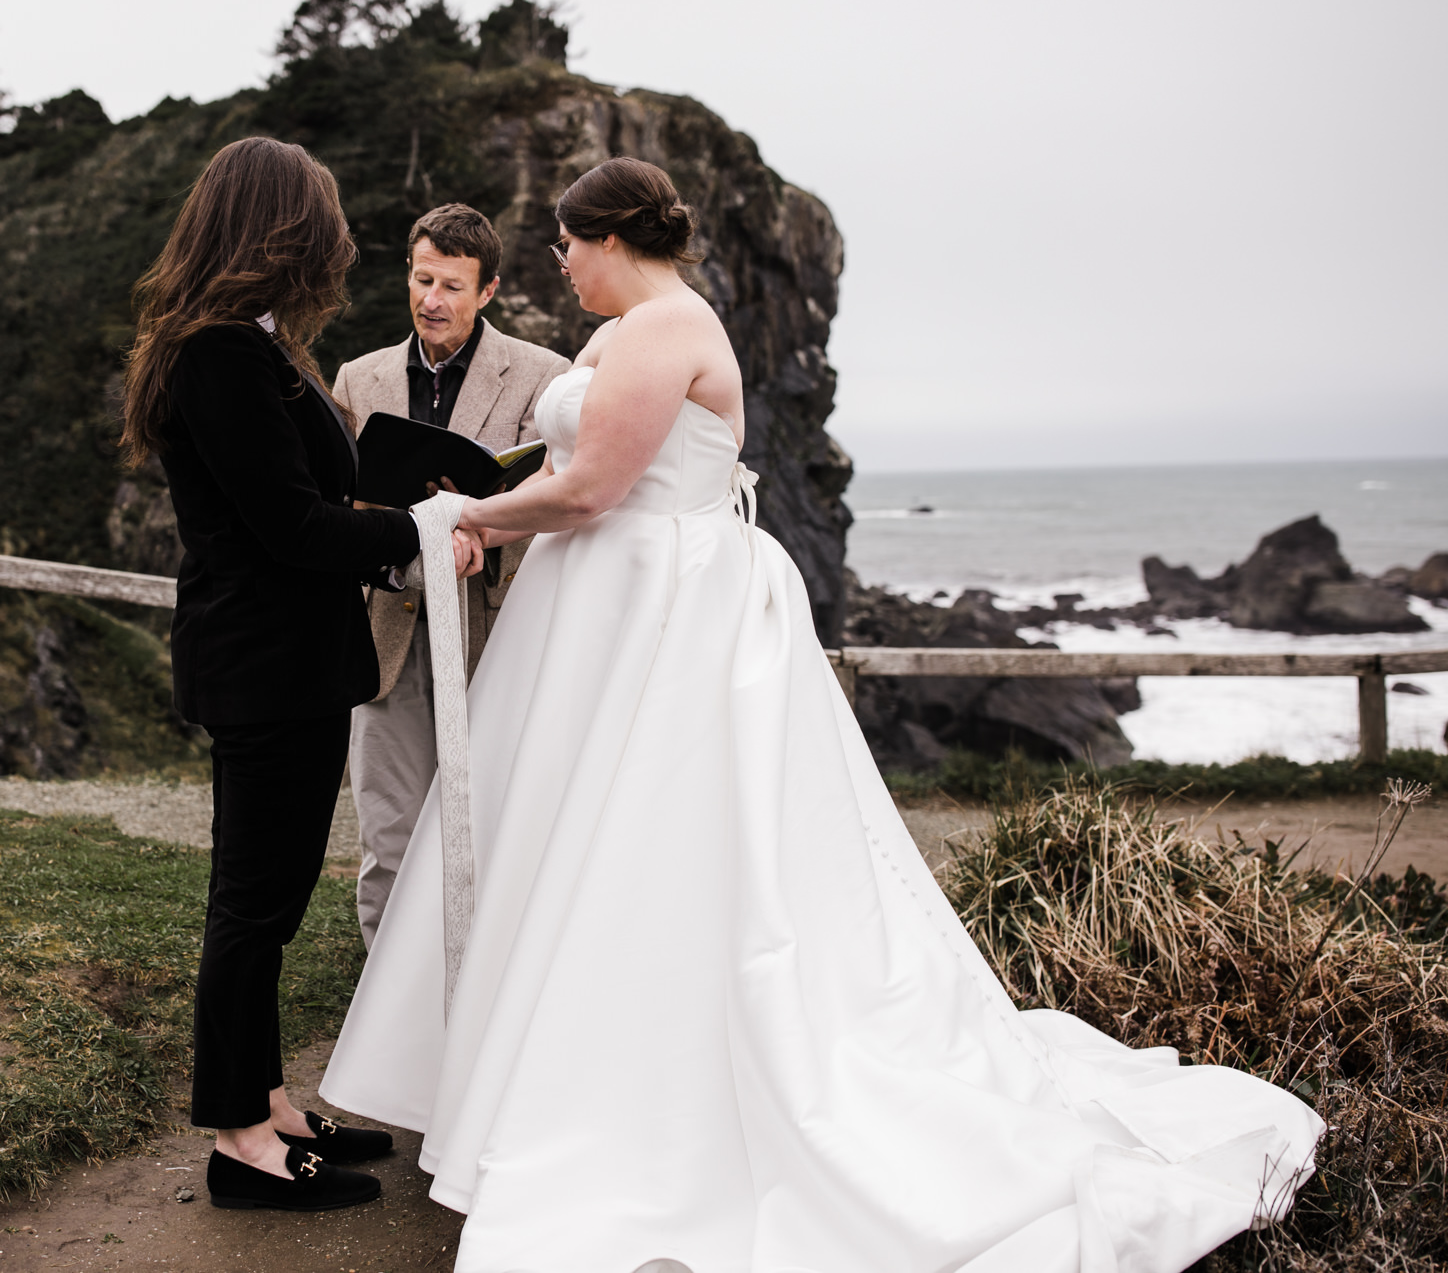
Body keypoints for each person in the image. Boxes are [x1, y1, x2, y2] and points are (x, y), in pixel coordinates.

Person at [320, 157, 1323, 1270]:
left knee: (657, 841)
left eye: (564, 244)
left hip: (656, 608)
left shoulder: (662, 330)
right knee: (563, 835)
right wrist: (489, 512)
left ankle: (631, 1095)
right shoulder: (619, 334)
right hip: (596, 608)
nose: (558, 264)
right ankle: (520, 1078)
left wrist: (470, 512)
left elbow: (594, 489)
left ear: (605, 238)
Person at [122, 136, 481, 1213]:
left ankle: (269, 1101)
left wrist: (395, 519)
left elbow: (301, 502)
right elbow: (284, 525)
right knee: (251, 902)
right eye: (321, 216)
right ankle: (239, 1143)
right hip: (263, 663)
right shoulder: (219, 355)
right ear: (273, 225)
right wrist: (418, 531)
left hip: (293, 662)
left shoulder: (252, 345)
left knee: (271, 901)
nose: (340, 238)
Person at [331, 203, 570, 947]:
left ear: (488, 290)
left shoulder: (545, 377)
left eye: (453, 286)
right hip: (386, 635)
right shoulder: (358, 378)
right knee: (390, 836)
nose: (432, 299)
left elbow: (548, 505)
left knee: (492, 829)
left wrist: (474, 525)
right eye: (422, 278)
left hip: (493, 634)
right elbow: (339, 502)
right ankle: (383, 1013)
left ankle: (480, 1014)